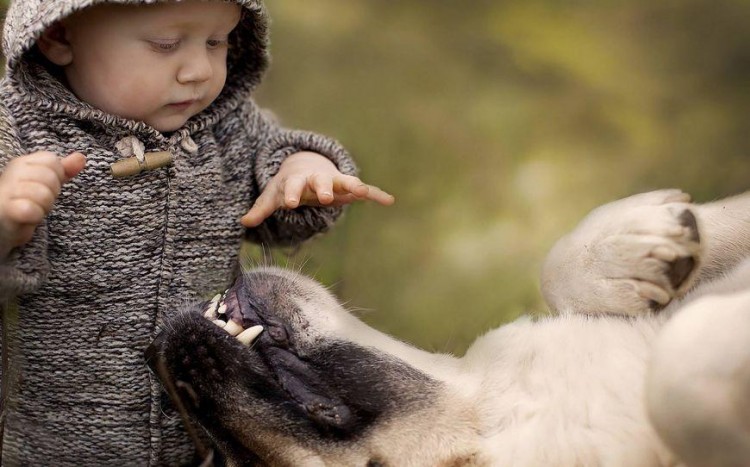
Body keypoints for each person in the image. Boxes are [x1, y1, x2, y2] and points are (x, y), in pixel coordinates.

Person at [0, 0, 394, 464]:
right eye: (166, 44)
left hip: (209, 427)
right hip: (53, 441)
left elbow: (278, 155)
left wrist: (302, 172)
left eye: (217, 41)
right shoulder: (16, 130)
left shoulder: (224, 127)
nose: (199, 70)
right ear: (58, 36)